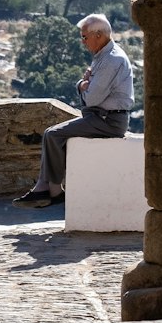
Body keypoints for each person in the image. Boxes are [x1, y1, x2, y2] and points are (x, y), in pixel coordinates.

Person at [13, 13, 134, 209]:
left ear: (99, 35)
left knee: (52, 135)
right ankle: (48, 188)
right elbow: (89, 88)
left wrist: (82, 86)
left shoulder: (111, 60)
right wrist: (84, 84)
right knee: (52, 135)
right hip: (102, 118)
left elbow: (93, 98)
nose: (83, 41)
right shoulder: (103, 56)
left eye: (85, 36)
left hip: (108, 121)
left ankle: (51, 190)